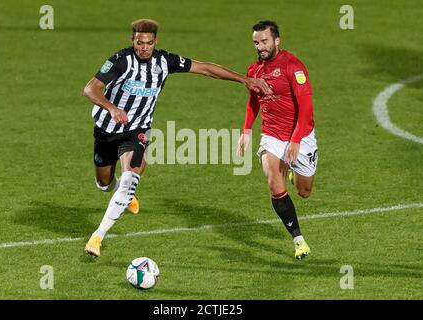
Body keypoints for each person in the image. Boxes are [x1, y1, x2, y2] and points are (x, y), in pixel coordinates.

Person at [83, 18, 271, 257]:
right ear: (132, 41)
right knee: (103, 184)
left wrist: (244, 79)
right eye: (139, 43)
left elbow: (204, 68)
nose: (144, 48)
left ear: (155, 42)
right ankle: (121, 193)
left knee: (131, 179)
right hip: (106, 129)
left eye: (149, 43)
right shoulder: (120, 61)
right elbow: (90, 89)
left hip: (137, 130)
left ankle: (97, 237)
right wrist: (112, 108)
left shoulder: (164, 61)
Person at [237, 20, 318, 260]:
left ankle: (294, 173)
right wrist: (246, 130)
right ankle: (299, 241)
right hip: (271, 136)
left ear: (276, 41)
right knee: (274, 182)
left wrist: (295, 140)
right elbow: (254, 101)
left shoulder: (293, 67)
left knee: (304, 192)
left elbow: (306, 107)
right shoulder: (254, 71)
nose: (260, 46)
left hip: (301, 137)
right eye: (256, 42)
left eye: (264, 41)